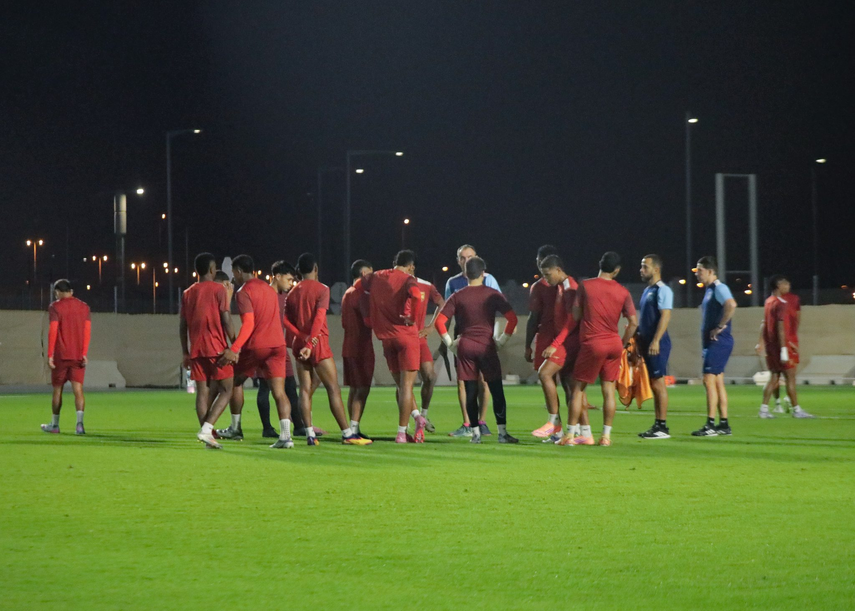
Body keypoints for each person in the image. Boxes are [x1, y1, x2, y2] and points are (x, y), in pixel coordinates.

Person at [283, 253, 370, 446]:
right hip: (317, 343)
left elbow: (286, 321)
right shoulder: (322, 289)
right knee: (333, 389)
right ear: (315, 269)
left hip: (299, 344)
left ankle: (309, 434)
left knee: (305, 390)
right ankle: (347, 434)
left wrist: (302, 338)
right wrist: (311, 342)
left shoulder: (292, 292)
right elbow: (319, 319)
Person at [435, 256, 519, 444]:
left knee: (470, 390)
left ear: (465, 274)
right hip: (486, 346)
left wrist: (450, 344)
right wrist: (501, 342)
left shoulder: (457, 295)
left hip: (465, 346)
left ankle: (475, 434)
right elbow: (513, 319)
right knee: (496, 389)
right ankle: (502, 433)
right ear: (483, 273)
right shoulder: (492, 294)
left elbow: (440, 322)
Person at [559, 251, 638, 447]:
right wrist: (622, 342)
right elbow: (633, 323)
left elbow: (576, 315)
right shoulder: (623, 291)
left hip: (593, 343)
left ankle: (569, 436)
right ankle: (606, 437)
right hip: (613, 344)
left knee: (577, 389)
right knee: (608, 390)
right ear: (617, 270)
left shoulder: (586, 285)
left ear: (600, 265)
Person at [216, 255, 295, 449]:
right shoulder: (269, 290)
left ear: (240, 271)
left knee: (234, 382)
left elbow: (249, 324)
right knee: (279, 392)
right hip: (278, 345)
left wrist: (234, 349)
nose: (233, 276)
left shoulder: (243, 292)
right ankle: (286, 438)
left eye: (234, 272)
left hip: (258, 345)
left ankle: (235, 428)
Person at [358, 250, 428, 444]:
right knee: (406, 387)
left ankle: (416, 417)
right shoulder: (408, 279)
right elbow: (416, 296)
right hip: (406, 337)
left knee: (400, 386)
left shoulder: (377, 276)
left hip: (386, 339)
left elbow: (361, 284)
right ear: (411, 266)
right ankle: (401, 433)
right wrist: (412, 318)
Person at [179, 253, 236, 449]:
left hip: (196, 349)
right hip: (216, 348)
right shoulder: (219, 290)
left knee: (202, 392)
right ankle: (206, 430)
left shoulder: (188, 293)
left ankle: (207, 435)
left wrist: (185, 352)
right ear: (212, 269)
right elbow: (226, 319)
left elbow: (182, 325)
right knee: (227, 390)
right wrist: (235, 344)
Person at [258, 261, 319, 438]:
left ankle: (298, 426)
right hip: (266, 346)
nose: (291, 283)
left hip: (280, 348)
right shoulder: (265, 294)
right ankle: (267, 427)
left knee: (290, 387)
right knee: (265, 388)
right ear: (277, 276)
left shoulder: (286, 297)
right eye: (289, 279)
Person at [444, 244, 499, 437]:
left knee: (483, 380)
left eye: (470, 257)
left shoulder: (489, 279)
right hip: (462, 336)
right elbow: (447, 313)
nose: (467, 261)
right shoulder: (452, 282)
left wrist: (496, 337)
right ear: (458, 261)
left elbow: (498, 306)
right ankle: (467, 423)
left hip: (483, 337)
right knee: (463, 381)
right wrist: (448, 341)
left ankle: (481, 422)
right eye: (463, 258)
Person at [756, 275, 814, 419]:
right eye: (785, 284)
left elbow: (765, 323)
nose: (788, 286)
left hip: (772, 346)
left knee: (774, 377)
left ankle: (763, 410)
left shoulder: (768, 301)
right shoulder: (781, 303)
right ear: (778, 286)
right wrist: (784, 349)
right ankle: (796, 410)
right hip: (783, 345)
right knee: (790, 378)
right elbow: (781, 328)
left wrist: (764, 343)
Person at [692, 256, 737, 437]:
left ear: (711, 271)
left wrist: (720, 326)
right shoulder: (710, 290)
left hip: (718, 342)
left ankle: (710, 424)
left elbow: (731, 304)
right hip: (713, 343)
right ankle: (724, 424)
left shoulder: (719, 287)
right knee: (717, 382)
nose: (697, 274)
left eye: (700, 270)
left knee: (708, 380)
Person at [41, 279, 91, 435]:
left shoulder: (55, 307)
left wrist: (50, 355)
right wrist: (84, 353)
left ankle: (55, 425)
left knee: (57, 390)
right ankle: (80, 425)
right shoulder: (84, 307)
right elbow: (87, 332)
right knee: (78, 390)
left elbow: (53, 331)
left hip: (61, 356)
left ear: (58, 292)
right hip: (77, 356)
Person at [636, 254, 674, 439]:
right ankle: (658, 425)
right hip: (647, 342)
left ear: (656, 269)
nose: (641, 270)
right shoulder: (647, 290)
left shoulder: (663, 290)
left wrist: (656, 340)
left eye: (645, 267)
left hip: (656, 344)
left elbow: (665, 316)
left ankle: (662, 427)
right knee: (653, 383)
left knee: (658, 383)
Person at [526, 245, 562, 438]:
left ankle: (555, 424)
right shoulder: (569, 284)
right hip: (560, 338)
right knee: (568, 384)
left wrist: (527, 344)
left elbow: (533, 317)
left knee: (548, 377)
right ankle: (575, 429)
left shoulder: (540, 286)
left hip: (551, 338)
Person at [341, 259, 375, 438]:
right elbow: (368, 321)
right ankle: (354, 429)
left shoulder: (347, 293)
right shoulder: (361, 294)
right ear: (363, 274)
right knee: (362, 388)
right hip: (361, 348)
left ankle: (352, 427)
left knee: (354, 388)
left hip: (348, 346)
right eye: (371, 273)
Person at [413, 275, 444, 433]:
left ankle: (423, 416)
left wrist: (431, 326)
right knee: (405, 382)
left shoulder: (425, 285)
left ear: (411, 267)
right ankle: (405, 424)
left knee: (430, 376)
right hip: (402, 337)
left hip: (419, 339)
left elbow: (441, 303)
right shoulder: (394, 283)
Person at [773, 288, 802, 413]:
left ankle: (778, 404)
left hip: (780, 343)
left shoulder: (773, 301)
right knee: (788, 376)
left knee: (776, 376)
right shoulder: (779, 302)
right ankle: (792, 405)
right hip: (785, 342)